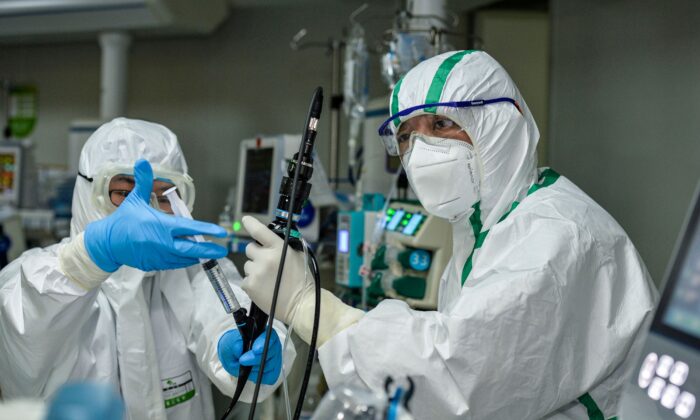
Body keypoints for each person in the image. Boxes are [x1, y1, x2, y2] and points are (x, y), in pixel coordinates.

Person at [241, 50, 658, 419]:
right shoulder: (486, 230)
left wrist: (310, 306)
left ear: (498, 125)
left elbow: (457, 381)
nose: (421, 151)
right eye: (406, 136)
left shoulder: (555, 236)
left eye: (442, 123)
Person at [0, 118, 295, 420]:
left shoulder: (190, 269)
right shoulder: (42, 278)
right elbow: (20, 345)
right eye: (124, 194)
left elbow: (225, 309)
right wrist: (91, 256)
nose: (146, 211)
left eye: (164, 195)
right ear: (88, 194)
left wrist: (240, 341)